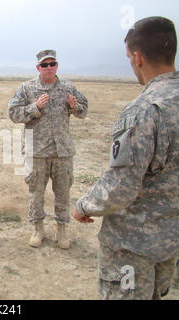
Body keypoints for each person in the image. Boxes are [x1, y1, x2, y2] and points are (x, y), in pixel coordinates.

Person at [73, 16, 179, 300]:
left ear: (138, 57)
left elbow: (121, 186)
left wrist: (84, 205)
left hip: (132, 248)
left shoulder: (144, 110)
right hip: (170, 240)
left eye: (129, 57)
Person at [9, 50, 88, 249]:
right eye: (44, 65)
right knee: (36, 192)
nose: (49, 67)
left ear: (57, 66)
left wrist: (74, 106)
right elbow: (13, 114)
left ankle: (62, 231)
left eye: (52, 63)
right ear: (38, 68)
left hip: (62, 151)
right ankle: (38, 229)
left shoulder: (68, 87)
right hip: (37, 151)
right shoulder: (27, 88)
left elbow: (83, 111)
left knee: (63, 192)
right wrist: (34, 107)